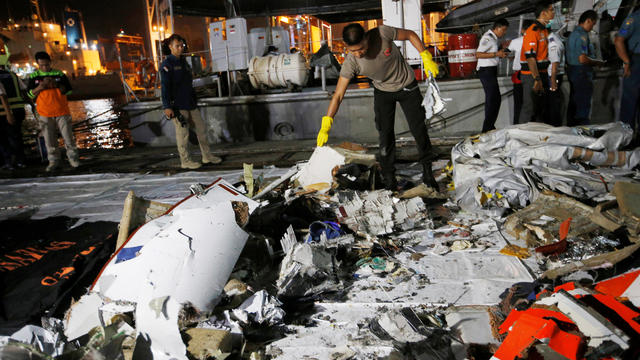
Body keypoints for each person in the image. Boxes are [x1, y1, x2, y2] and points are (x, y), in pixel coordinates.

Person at [315, 23, 440, 191]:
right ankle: (389, 178)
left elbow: (410, 34)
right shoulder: (351, 62)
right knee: (385, 134)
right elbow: (337, 95)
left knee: (419, 130)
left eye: (361, 48)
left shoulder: (382, 33)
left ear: (367, 38)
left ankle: (427, 172)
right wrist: (327, 122)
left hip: (407, 86)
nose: (359, 53)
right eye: (353, 51)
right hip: (382, 92)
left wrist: (425, 54)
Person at [161, 34, 221, 169]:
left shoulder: (184, 62)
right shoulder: (167, 65)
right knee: (183, 134)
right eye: (177, 46)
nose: (180, 48)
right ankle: (185, 161)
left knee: (201, 129)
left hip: (190, 102)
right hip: (178, 104)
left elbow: (189, 82)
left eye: (181, 45)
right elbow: (165, 87)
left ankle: (207, 156)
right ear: (170, 47)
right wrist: (167, 106)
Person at [27, 51, 79, 172]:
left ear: (50, 63)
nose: (45, 67)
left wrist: (57, 85)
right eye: (42, 65)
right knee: (49, 140)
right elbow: (29, 93)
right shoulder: (33, 76)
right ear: (37, 64)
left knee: (68, 137)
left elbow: (69, 91)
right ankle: (53, 161)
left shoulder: (59, 74)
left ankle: (73, 159)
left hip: (62, 111)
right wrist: (41, 86)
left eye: (46, 65)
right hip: (44, 113)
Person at [519, 1, 555, 124]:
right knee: (530, 108)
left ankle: (539, 137)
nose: (553, 12)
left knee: (540, 109)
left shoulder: (543, 30)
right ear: (543, 13)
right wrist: (537, 79)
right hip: (532, 75)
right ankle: (522, 136)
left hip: (541, 73)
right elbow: (530, 58)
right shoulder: (532, 31)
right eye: (552, 10)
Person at [566, 10, 604, 126]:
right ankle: (583, 131)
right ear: (588, 21)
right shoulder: (581, 35)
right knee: (583, 105)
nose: (592, 27)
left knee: (574, 105)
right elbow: (582, 59)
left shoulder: (573, 34)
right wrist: (598, 62)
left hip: (573, 71)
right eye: (592, 24)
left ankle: (573, 131)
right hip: (581, 72)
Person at [476, 18, 509, 132]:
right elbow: (478, 54)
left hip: (490, 70)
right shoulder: (487, 38)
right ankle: (487, 128)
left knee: (494, 99)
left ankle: (489, 125)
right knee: (493, 99)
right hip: (486, 71)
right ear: (497, 27)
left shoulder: (493, 39)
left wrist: (500, 50)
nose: (504, 33)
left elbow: (490, 53)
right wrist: (496, 53)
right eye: (503, 30)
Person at [0, 45, 28, 170]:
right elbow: (24, 92)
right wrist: (33, 107)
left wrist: (8, 114)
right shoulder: (12, 75)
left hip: (4, 113)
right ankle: (20, 161)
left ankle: (9, 162)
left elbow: (3, 96)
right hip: (19, 110)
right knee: (16, 136)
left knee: (5, 139)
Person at [615, 6, 640, 135]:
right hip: (635, 63)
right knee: (630, 101)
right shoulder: (633, 19)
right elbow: (618, 41)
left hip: (636, 62)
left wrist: (626, 61)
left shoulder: (633, 19)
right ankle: (628, 138)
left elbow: (618, 40)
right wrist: (627, 61)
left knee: (630, 101)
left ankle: (629, 138)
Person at [508, 19, 534, 125]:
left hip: (518, 74)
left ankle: (517, 125)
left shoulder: (515, 41)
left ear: (523, 29)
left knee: (518, 102)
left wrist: (514, 57)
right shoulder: (535, 41)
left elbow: (506, 53)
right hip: (531, 74)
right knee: (530, 102)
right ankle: (530, 125)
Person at [546, 31, 566, 126]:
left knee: (553, 102)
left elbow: (554, 63)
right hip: (553, 75)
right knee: (552, 102)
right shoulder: (553, 39)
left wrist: (553, 81)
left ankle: (554, 125)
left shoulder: (552, 43)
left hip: (552, 76)